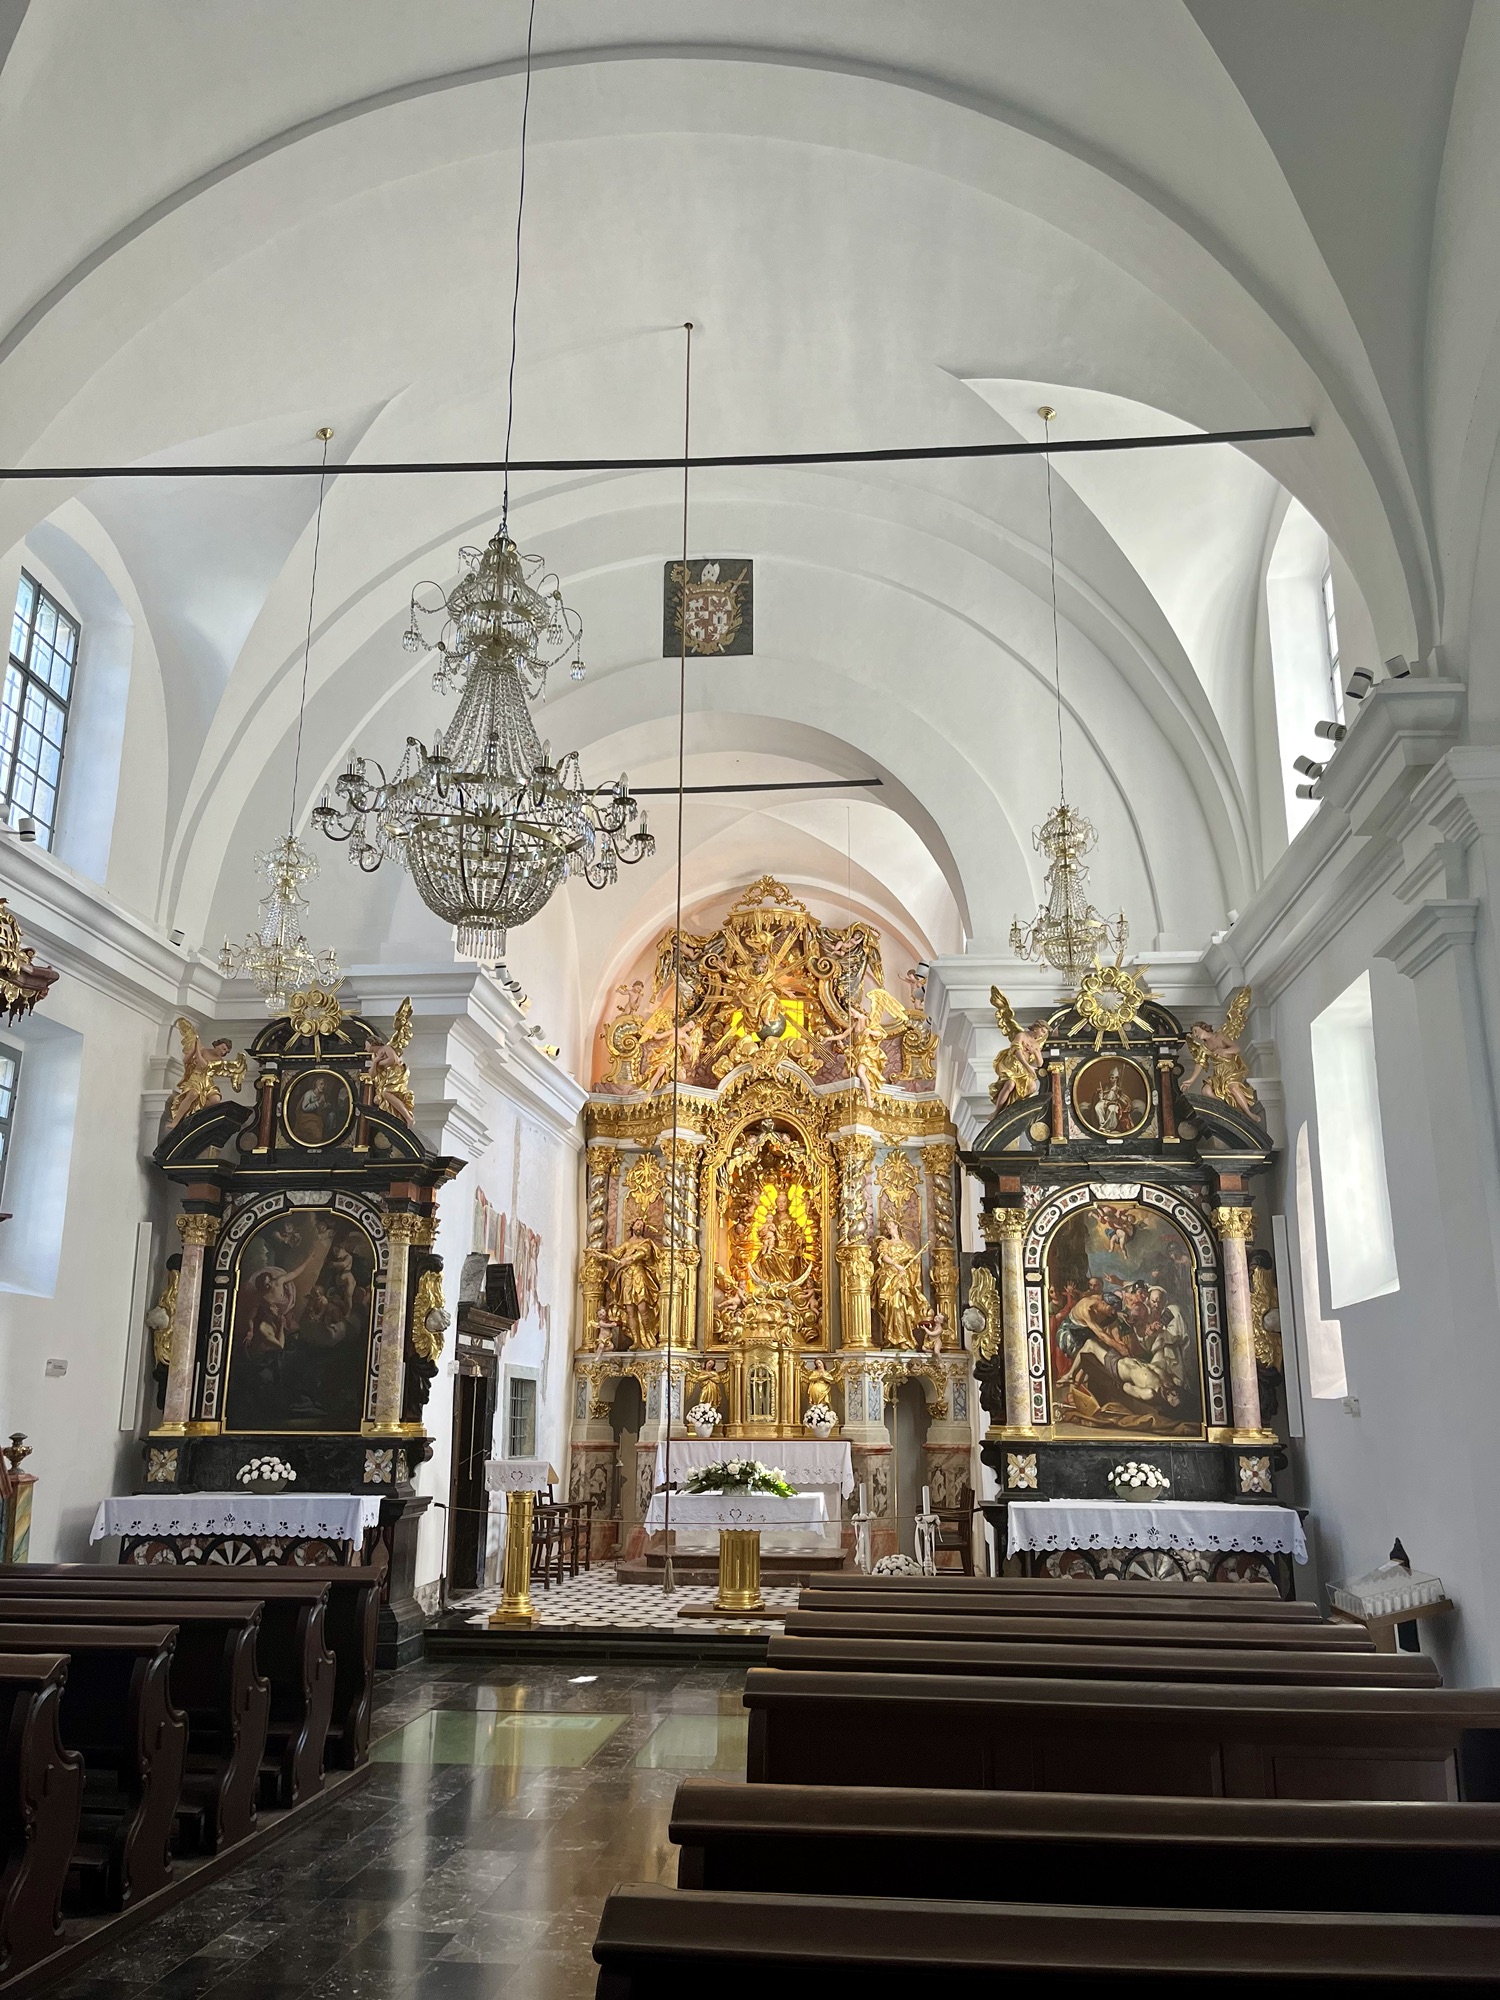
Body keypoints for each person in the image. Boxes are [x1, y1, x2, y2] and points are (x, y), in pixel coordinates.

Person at [874, 1215, 928, 1350]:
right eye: (887, 1227)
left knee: (903, 1306)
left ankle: (904, 1337)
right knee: (892, 1306)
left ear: (897, 1226)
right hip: (889, 1278)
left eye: (891, 1226)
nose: (889, 1229)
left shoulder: (907, 1245)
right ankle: (891, 1337)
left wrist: (916, 1258)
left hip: (903, 1279)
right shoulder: (885, 1243)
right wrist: (897, 1265)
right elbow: (883, 1257)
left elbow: (914, 1264)